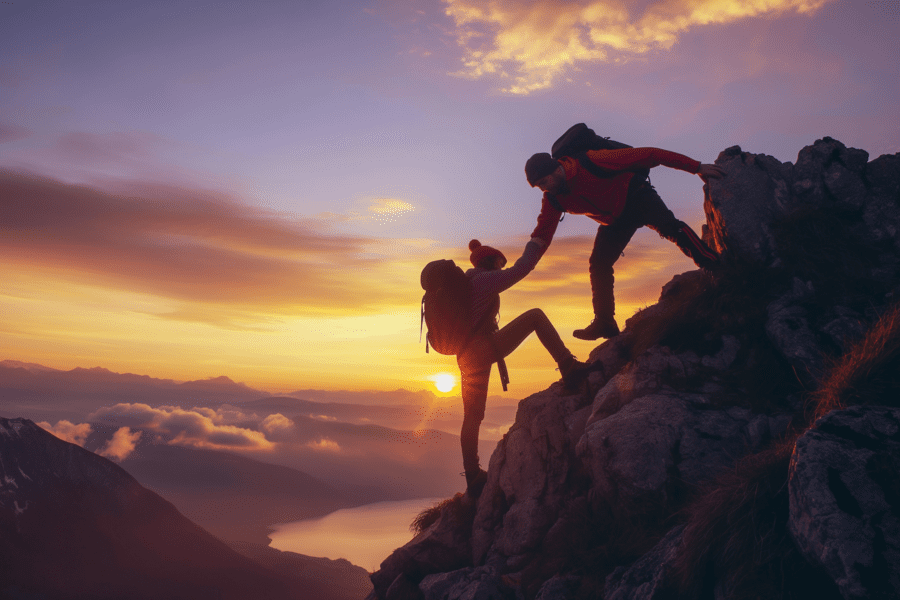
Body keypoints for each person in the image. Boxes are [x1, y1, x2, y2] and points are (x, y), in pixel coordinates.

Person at [524, 147, 725, 340]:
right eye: (539, 186)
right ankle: (605, 323)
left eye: (543, 181)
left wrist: (696, 167)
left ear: (554, 169)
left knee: (671, 228)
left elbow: (649, 154)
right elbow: (543, 231)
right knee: (599, 264)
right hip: (614, 220)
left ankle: (716, 266)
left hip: (636, 196)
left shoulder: (591, 160)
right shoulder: (553, 198)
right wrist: (526, 263)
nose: (543, 188)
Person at [457, 238, 588, 495]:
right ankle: (568, 367)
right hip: (482, 349)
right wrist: (535, 244)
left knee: (472, 416)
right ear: (489, 261)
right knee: (535, 316)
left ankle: (472, 476)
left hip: (467, 356)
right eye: (498, 262)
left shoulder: (469, 283)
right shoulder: (484, 280)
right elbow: (522, 270)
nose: (501, 266)